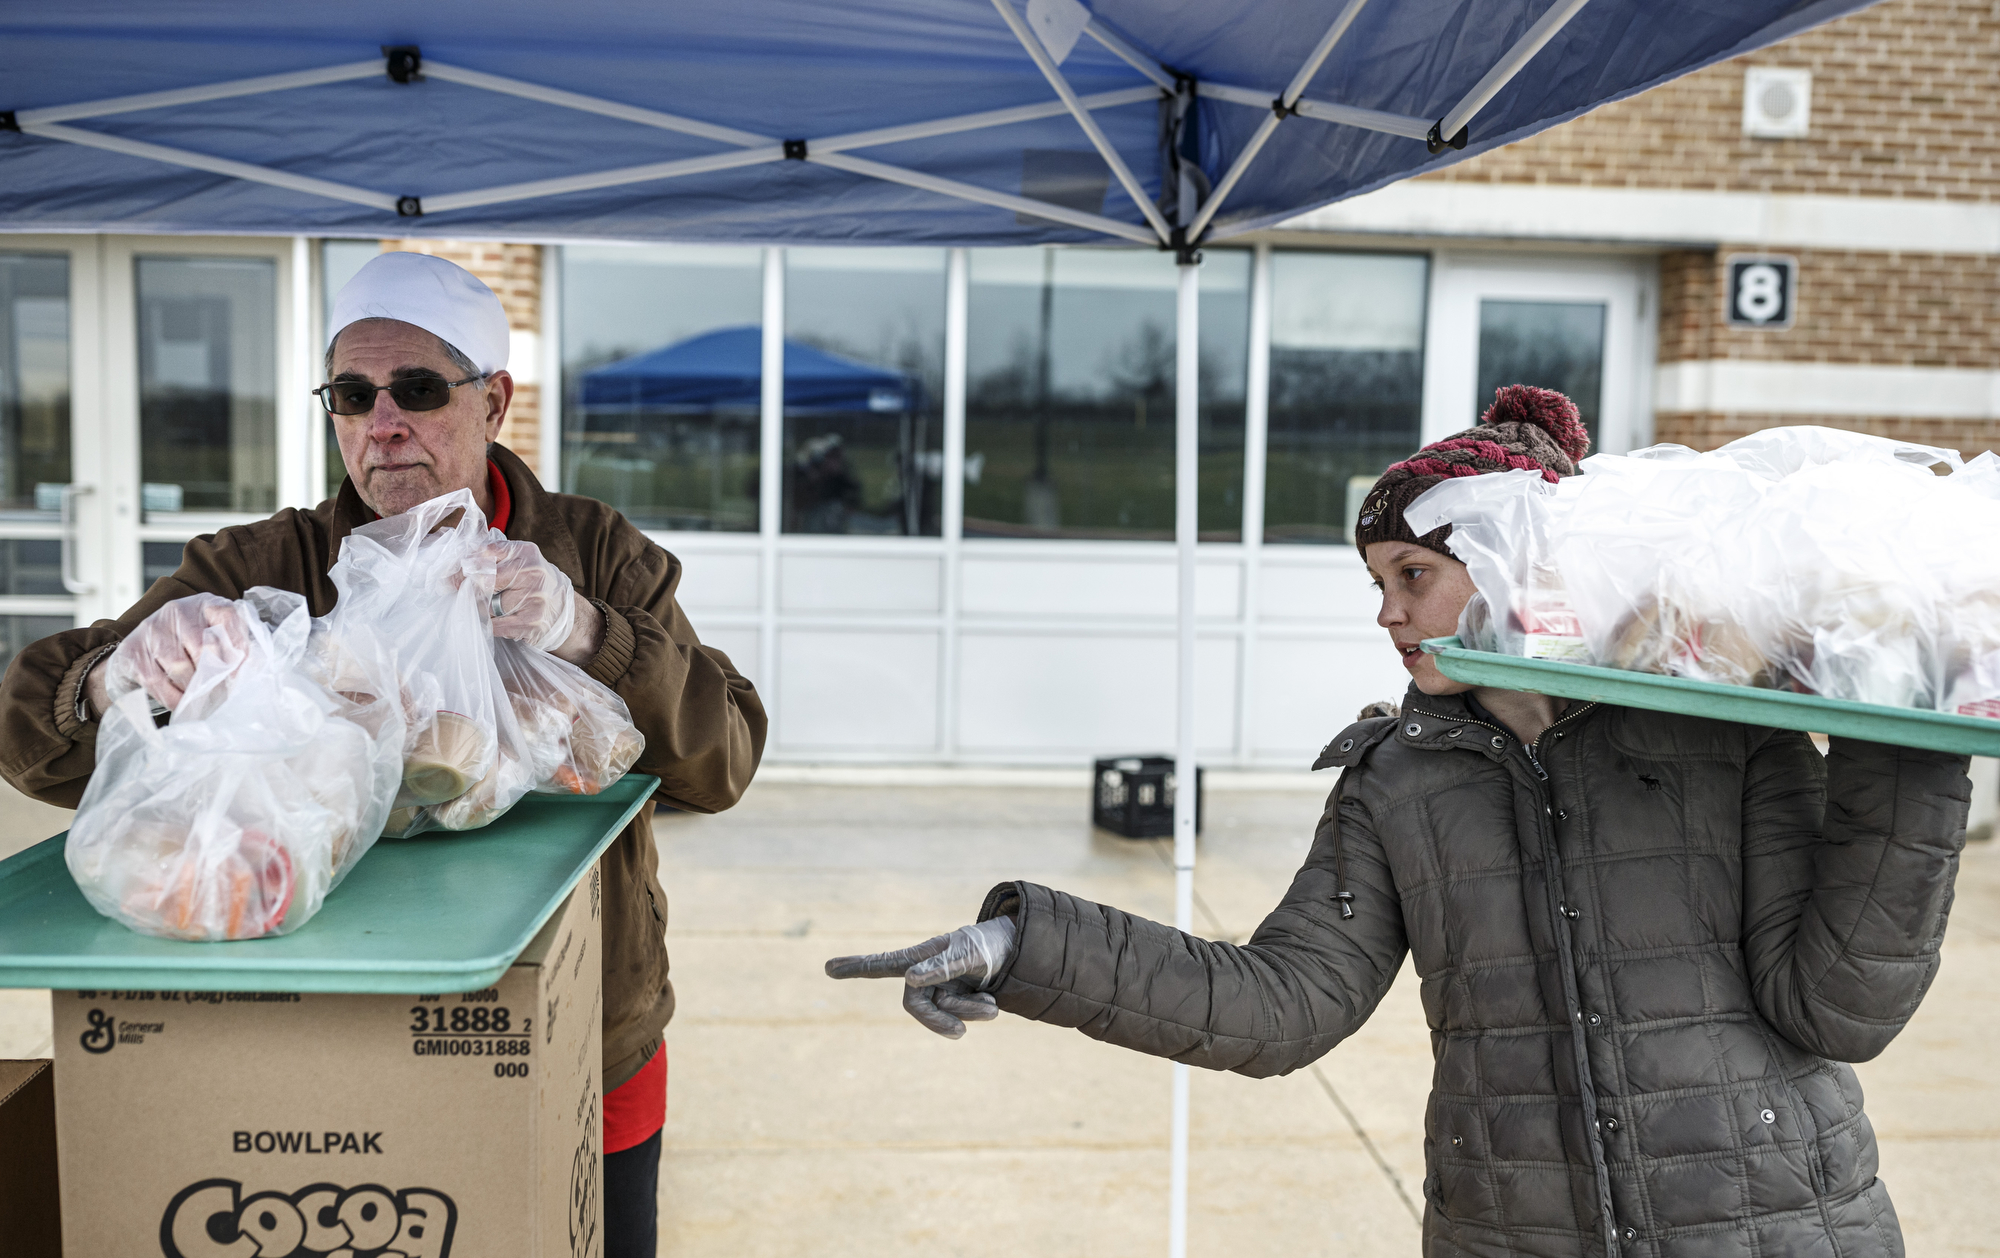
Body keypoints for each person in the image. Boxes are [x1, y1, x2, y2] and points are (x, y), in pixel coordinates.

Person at [827, 386, 1971, 1258]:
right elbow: (1281, 1006)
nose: (1385, 611)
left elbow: (1838, 1006)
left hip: (1770, 1228)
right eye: (1376, 579)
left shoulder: (1714, 729)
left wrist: (1909, 732)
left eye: (1411, 573)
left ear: (1509, 559)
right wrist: (1029, 947)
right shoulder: (1397, 779)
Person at [0, 251, 766, 1258]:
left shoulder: (593, 553)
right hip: (326, 1040)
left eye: (415, 389)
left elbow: (724, 760)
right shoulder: (261, 570)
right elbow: (28, 739)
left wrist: (586, 631)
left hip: (584, 1030)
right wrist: (120, 676)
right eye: (352, 396)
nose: (382, 424)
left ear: (492, 399)